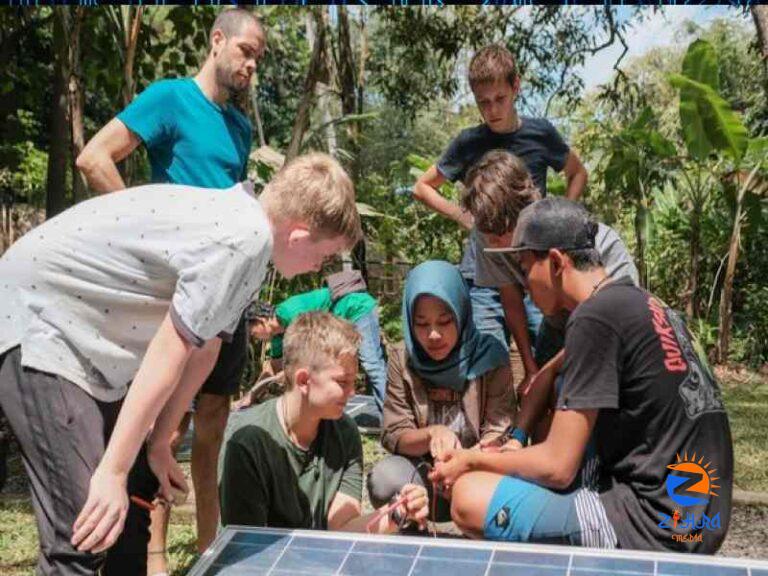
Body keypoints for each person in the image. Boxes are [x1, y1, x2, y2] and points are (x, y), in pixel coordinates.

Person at [0, 153, 361, 575]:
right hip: (41, 326)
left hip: (90, 350)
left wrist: (156, 445)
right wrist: (112, 469)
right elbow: (171, 347)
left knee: (135, 495)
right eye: (324, 256)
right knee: (86, 525)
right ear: (299, 236)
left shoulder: (250, 238)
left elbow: (203, 350)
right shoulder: (240, 238)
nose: (318, 270)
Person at [430, 197, 733, 554]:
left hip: (656, 526)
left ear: (557, 261)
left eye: (526, 268)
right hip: (703, 522)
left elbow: (557, 466)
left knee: (468, 495)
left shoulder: (594, 317)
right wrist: (516, 436)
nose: (525, 284)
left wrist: (473, 459)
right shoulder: (641, 304)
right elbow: (549, 372)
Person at [76, 7, 266, 562]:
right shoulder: (170, 98)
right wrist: (146, 235)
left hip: (228, 297)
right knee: (164, 427)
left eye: (259, 57)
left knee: (212, 427)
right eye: (245, 51)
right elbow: (94, 157)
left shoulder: (240, 126)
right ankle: (154, 557)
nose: (252, 64)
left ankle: (210, 550)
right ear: (216, 42)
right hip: (179, 298)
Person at [413, 44, 588, 392]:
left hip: (534, 267)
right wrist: (465, 217)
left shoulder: (540, 134)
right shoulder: (468, 143)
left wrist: (559, 220)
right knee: (487, 358)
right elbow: (422, 186)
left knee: (547, 351)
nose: (492, 110)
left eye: (500, 98)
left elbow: (577, 172)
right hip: (484, 270)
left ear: (516, 87)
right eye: (483, 102)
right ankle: (492, 435)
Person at [460, 149, 637, 445]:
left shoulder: (601, 246)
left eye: (503, 233)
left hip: (608, 332)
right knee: (538, 395)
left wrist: (548, 372)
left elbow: (614, 331)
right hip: (556, 323)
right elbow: (511, 300)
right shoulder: (486, 237)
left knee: (575, 392)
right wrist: (532, 370)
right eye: (486, 232)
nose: (495, 242)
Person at [219, 312, 429, 533]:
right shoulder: (247, 444)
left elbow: (342, 530)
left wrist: (397, 513)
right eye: (342, 381)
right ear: (303, 380)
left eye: (354, 381)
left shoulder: (344, 432)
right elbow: (245, 548)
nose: (353, 392)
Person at [367, 260, 513, 523]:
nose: (434, 335)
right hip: (425, 480)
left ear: (462, 313)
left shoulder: (491, 357)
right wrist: (432, 434)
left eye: (445, 321)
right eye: (421, 324)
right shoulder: (402, 358)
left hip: (477, 472)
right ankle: (413, 525)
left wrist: (464, 462)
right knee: (385, 479)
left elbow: (500, 431)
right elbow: (394, 433)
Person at [248, 269, 388, 414]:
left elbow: (309, 355)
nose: (255, 338)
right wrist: (250, 396)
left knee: (372, 365)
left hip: (356, 307)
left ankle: (392, 419)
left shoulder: (290, 312)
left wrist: (289, 372)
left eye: (253, 333)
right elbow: (272, 369)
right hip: (341, 320)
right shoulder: (278, 337)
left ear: (261, 321)